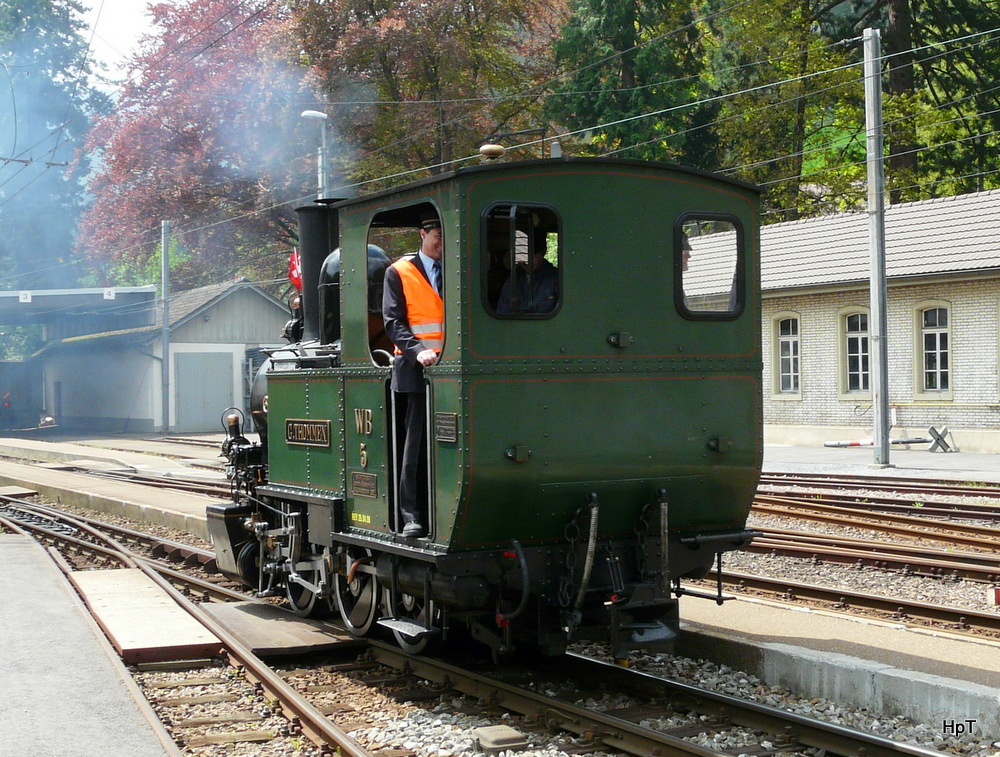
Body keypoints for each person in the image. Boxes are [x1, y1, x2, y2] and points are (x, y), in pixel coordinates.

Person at [382, 212, 443, 538]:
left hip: (451, 371)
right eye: (437, 236)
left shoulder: (454, 269)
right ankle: (411, 515)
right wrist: (416, 349)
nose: (442, 244)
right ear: (422, 234)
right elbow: (392, 321)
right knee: (414, 447)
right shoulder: (399, 272)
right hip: (415, 372)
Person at [497, 248, 559, 314]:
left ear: (543, 252)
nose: (526, 260)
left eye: (531, 255)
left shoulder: (558, 279)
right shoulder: (510, 284)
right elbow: (501, 316)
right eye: (522, 255)